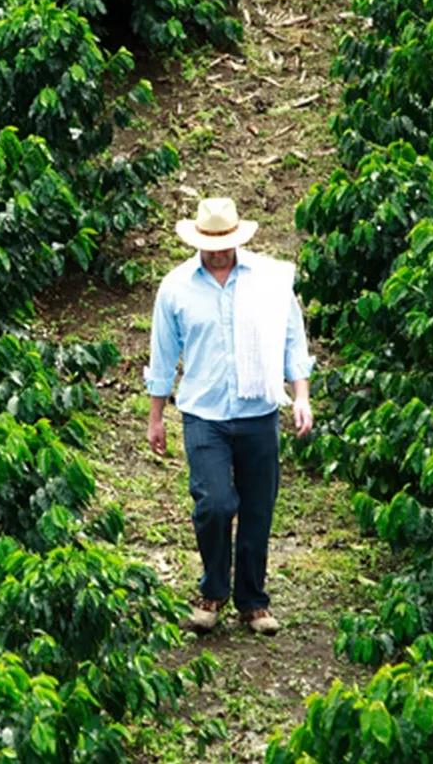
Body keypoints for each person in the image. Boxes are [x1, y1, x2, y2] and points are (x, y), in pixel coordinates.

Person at [145, 198, 314, 635]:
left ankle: (253, 602)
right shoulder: (176, 287)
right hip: (204, 414)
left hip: (258, 410)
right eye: (210, 245)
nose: (219, 253)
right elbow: (163, 356)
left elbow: (293, 340)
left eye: (226, 244)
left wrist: (301, 395)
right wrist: (156, 416)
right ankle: (213, 590)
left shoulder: (268, 281)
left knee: (258, 509)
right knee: (215, 504)